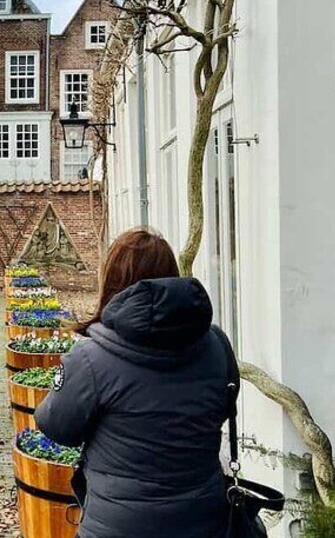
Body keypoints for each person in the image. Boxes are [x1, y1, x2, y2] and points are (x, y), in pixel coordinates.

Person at [35, 228, 236, 538]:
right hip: (204, 522)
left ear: (113, 283)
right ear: (171, 275)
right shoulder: (216, 345)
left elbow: (57, 426)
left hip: (117, 525)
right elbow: (223, 406)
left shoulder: (91, 358)